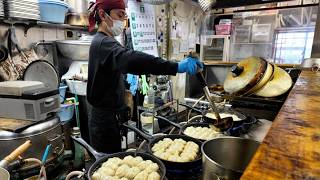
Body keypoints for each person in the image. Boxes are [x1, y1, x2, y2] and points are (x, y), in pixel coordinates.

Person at [87, 0, 203, 153]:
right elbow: (132, 59)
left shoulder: (108, 42)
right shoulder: (102, 43)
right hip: (104, 122)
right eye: (119, 15)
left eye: (124, 16)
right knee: (106, 166)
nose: (122, 21)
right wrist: (176, 66)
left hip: (111, 118)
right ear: (103, 14)